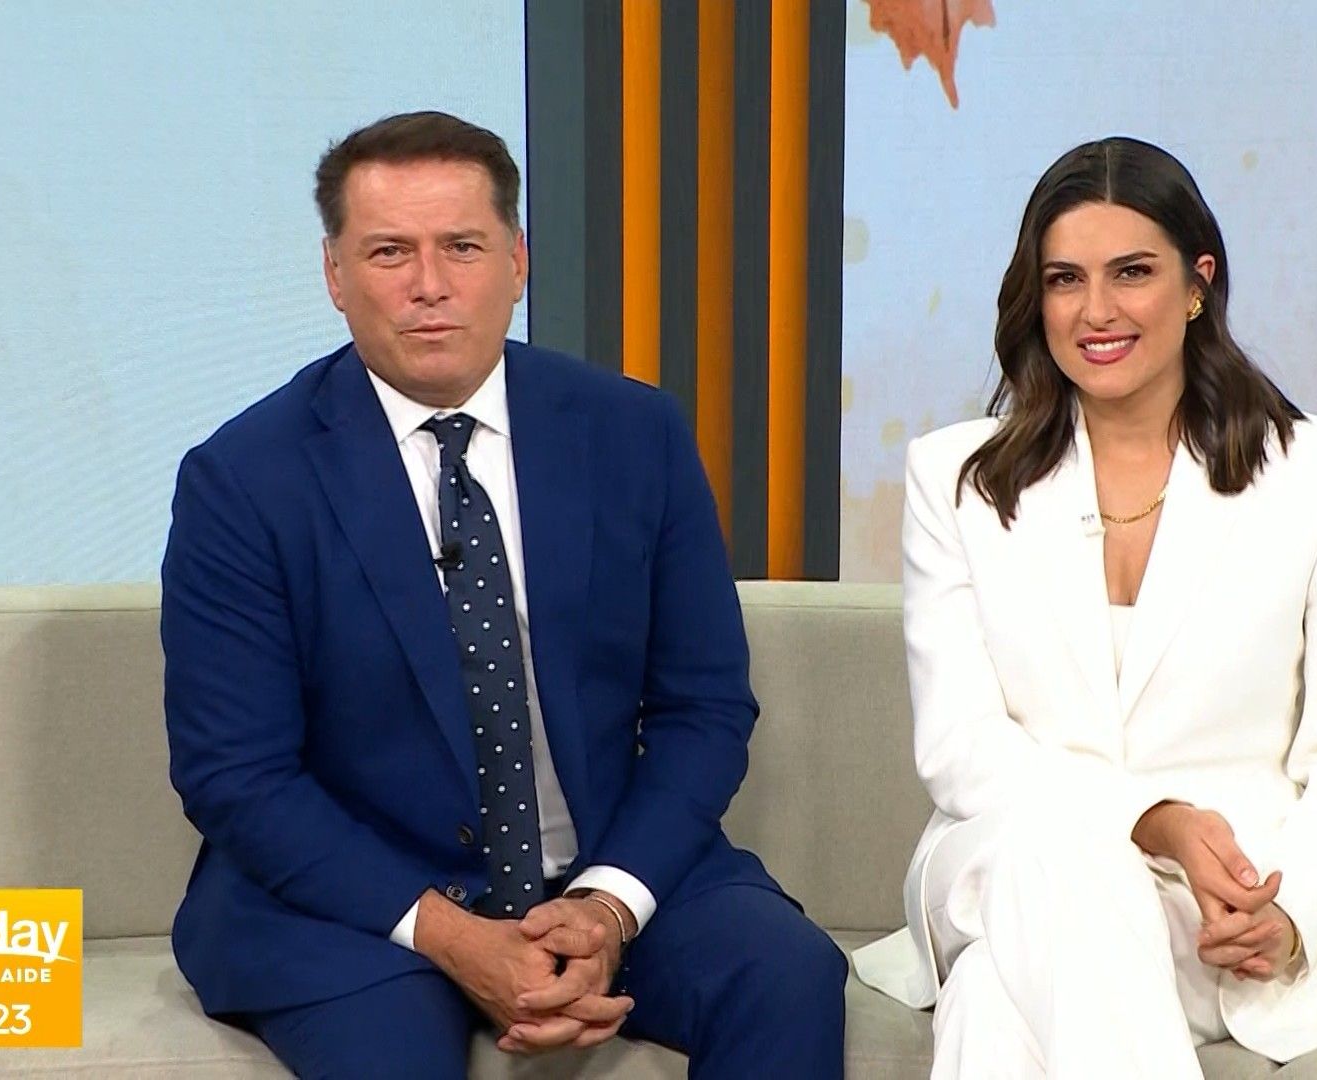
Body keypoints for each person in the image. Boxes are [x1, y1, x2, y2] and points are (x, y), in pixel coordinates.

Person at [160, 110, 845, 1079]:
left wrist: (607, 906)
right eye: (389, 252)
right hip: (358, 908)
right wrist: (453, 935)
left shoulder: (635, 434)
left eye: (463, 247)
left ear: (517, 262)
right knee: (391, 1059)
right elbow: (237, 774)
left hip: (602, 867)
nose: (429, 284)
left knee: (788, 977)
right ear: (335, 275)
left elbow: (703, 709)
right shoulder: (244, 479)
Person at [851, 136, 1317, 1077]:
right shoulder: (954, 479)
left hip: (1209, 906)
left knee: (991, 1000)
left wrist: (1292, 911)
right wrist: (1151, 818)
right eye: (1065, 280)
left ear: (1198, 283)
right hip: (1000, 857)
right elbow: (960, 750)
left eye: (1132, 272)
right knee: (1063, 860)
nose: (1097, 311)